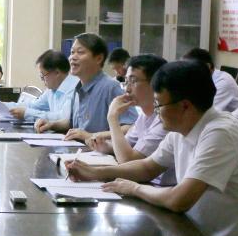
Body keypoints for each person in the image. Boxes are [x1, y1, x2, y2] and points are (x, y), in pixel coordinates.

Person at [66, 60, 238, 236]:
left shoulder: (220, 133)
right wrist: (95, 172)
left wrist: (134, 189)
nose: (156, 112)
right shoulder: (182, 128)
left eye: (158, 104)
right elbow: (147, 167)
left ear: (185, 106)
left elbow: (179, 200)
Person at [73, 54, 173, 184]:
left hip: (158, 186)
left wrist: (112, 118)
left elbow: (127, 160)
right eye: (126, 81)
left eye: (133, 81)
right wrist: (105, 146)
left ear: (155, 83)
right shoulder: (144, 116)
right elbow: (126, 146)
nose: (127, 89)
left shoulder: (166, 121)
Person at [37, 33, 135, 134]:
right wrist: (51, 124)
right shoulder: (78, 88)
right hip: (76, 144)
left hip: (99, 145)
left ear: (99, 58)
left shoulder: (110, 87)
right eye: (72, 52)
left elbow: (131, 127)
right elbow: (72, 123)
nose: (72, 57)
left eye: (80, 52)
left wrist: (92, 136)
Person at [8, 50, 78, 124]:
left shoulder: (75, 88)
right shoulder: (52, 89)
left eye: (43, 75)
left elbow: (63, 118)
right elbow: (34, 106)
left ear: (57, 73)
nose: (42, 79)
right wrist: (4, 105)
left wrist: (27, 113)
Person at [182, 47, 238, 112]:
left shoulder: (223, 81)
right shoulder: (203, 79)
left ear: (207, 66)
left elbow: (207, 112)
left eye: (193, 70)